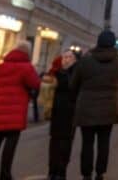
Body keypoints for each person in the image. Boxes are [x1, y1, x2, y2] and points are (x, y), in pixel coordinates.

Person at [0, 42, 40, 180]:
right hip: (14, 112)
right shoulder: (26, 67)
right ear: (27, 53)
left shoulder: (0, 67)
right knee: (9, 146)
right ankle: (5, 175)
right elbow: (35, 83)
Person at [72, 30, 118, 180]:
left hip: (87, 107)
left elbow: (74, 83)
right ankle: (100, 173)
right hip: (109, 107)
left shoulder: (86, 61)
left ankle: (86, 174)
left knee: (87, 143)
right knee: (104, 142)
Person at [47, 51, 78, 180]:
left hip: (70, 112)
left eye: (70, 57)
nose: (66, 60)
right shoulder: (56, 73)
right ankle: (52, 170)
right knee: (54, 141)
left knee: (66, 142)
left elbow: (72, 86)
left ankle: (61, 170)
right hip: (57, 111)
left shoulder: (76, 73)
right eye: (64, 57)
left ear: (75, 60)